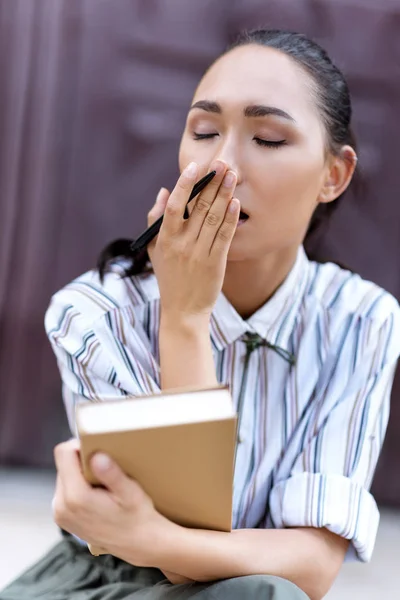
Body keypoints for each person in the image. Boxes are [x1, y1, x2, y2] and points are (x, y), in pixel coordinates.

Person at [2, 28, 400, 600]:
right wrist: (184, 319)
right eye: (204, 131)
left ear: (333, 174)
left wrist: (151, 537)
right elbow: (184, 562)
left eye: (267, 138)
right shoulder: (94, 314)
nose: (222, 164)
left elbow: (312, 565)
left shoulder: (361, 321)